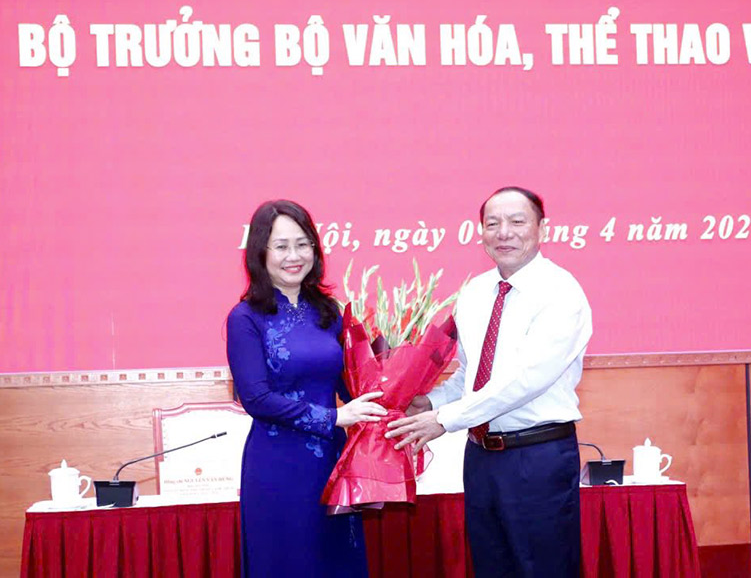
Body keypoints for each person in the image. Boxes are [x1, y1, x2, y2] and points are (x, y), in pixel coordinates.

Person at [386, 186, 593, 577]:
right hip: (481, 457)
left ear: (541, 229)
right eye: (493, 223)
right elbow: (472, 375)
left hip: (537, 457)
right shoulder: (477, 292)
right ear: (480, 232)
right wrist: (429, 402)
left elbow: (524, 380)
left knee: (543, 569)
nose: (504, 232)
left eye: (517, 222)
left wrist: (444, 420)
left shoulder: (561, 292)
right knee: (491, 567)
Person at [226, 199, 385, 578]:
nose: (293, 256)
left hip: (333, 464)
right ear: (260, 252)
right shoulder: (245, 317)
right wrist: (335, 417)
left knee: (334, 563)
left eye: (303, 244)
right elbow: (257, 398)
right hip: (277, 467)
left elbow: (352, 387)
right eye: (281, 246)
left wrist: (390, 397)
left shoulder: (330, 311)